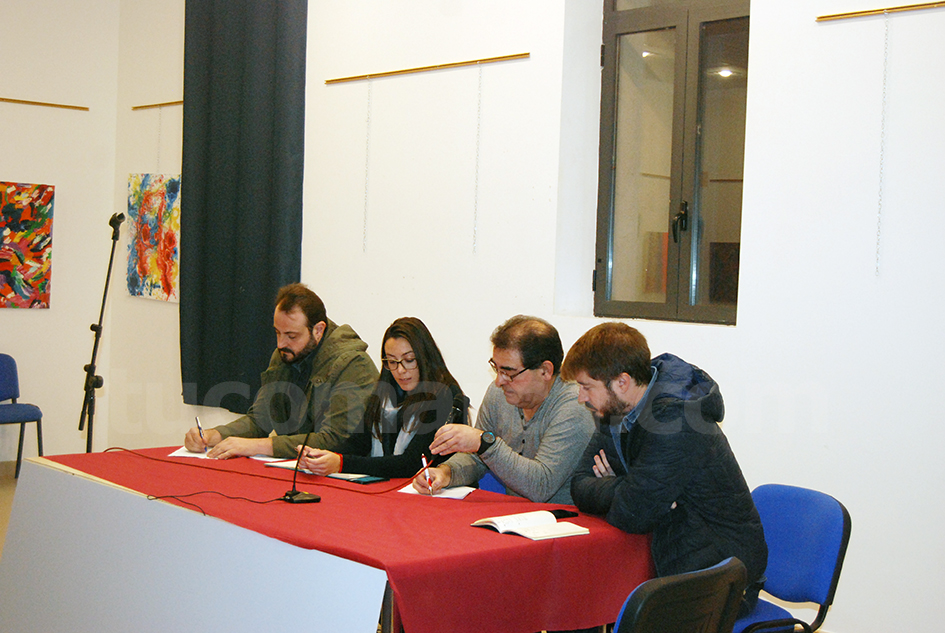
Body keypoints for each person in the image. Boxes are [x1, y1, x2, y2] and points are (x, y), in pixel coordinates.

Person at [562, 322, 768, 614]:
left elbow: (634, 513)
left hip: (719, 576)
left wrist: (631, 492)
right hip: (669, 558)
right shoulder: (615, 409)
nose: (581, 397)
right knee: (581, 598)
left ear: (622, 382)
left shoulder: (677, 421)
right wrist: (632, 488)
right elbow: (580, 484)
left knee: (601, 602)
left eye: (586, 387)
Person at [183, 283, 378, 459]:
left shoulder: (353, 364)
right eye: (277, 332)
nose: (280, 344)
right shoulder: (285, 354)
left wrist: (258, 446)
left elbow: (335, 441)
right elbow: (260, 419)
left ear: (318, 330)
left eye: (291, 335)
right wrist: (212, 436)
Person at [413, 315, 594, 504]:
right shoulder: (499, 395)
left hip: (565, 522)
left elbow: (541, 485)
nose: (499, 381)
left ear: (546, 371)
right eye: (496, 369)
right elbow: (478, 459)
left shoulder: (574, 404)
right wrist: (445, 472)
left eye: (509, 373)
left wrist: (484, 443)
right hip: (513, 518)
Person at [297, 317, 469, 478]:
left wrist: (341, 463)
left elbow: (412, 464)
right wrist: (323, 455)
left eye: (409, 360)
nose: (400, 370)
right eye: (392, 362)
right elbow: (358, 443)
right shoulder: (386, 391)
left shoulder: (446, 395)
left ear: (425, 357)